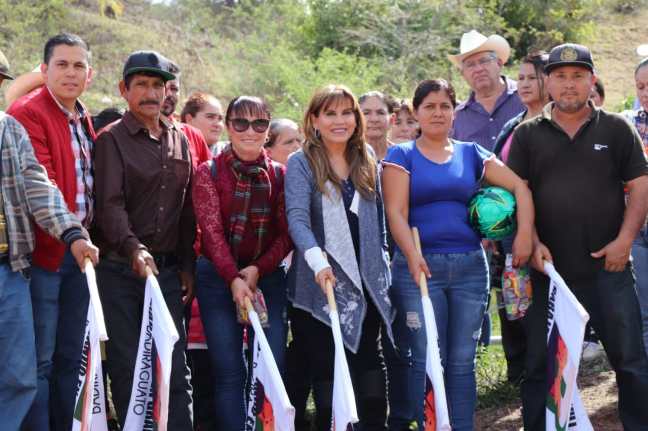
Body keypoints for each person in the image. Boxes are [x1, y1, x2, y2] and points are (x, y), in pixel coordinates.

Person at [507, 43, 648, 430]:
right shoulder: (527, 134)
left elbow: (640, 187)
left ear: (592, 80)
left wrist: (625, 241)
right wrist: (532, 241)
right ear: (548, 82)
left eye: (578, 76)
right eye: (561, 76)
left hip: (610, 268)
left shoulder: (616, 129)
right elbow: (516, 192)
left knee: (631, 362)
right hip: (549, 273)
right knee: (540, 366)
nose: (569, 84)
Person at [382, 79, 534, 430]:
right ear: (416, 112)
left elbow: (520, 187)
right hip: (420, 269)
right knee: (427, 359)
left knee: (463, 362)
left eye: (445, 106)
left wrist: (524, 235)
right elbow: (395, 212)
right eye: (429, 106)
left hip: (470, 268)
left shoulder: (471, 153)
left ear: (454, 112)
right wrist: (412, 255)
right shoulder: (401, 155)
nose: (438, 113)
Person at [94, 50, 194, 430]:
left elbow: (185, 209)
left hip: (166, 274)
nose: (151, 93)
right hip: (120, 272)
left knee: (175, 367)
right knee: (129, 368)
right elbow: (110, 206)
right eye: (141, 85)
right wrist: (134, 248)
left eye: (157, 85)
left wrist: (186, 265)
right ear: (124, 90)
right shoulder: (111, 140)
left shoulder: (179, 139)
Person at [0, 50, 99, 431]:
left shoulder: (8, 130)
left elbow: (38, 186)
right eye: (62, 65)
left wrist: (72, 233)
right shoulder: (28, 115)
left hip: (9, 269)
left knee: (21, 377)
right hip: (36, 267)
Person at [286, 84, 393, 431]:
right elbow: (297, 219)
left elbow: (379, 221)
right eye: (330, 113)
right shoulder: (301, 162)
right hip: (319, 284)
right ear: (314, 120)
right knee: (328, 375)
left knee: (370, 370)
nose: (339, 120)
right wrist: (318, 261)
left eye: (347, 112)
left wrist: (383, 265)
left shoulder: (366, 157)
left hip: (366, 283)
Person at [192, 96, 292, 430]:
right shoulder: (208, 172)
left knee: (271, 367)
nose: (250, 131)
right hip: (216, 279)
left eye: (259, 123)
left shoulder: (280, 175)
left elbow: (287, 234)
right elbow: (211, 233)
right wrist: (233, 277)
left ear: (268, 128)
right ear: (228, 126)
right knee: (229, 371)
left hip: (267, 278)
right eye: (241, 123)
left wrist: (257, 269)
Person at [491, 51, 550, 384]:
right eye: (521, 78)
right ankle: (521, 375)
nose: (524, 84)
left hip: (553, 230)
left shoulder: (559, 123)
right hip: (511, 233)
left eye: (532, 77)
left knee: (548, 308)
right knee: (516, 303)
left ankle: (552, 375)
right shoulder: (512, 126)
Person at [449, 30, 525, 152]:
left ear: (499, 63)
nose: (478, 69)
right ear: (463, 74)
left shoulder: (525, 95)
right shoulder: (458, 117)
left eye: (484, 61)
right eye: (470, 65)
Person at [622, 56, 648, 359]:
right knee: (643, 310)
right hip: (636, 229)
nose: (645, 92)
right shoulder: (626, 123)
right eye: (640, 86)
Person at [359, 90, 393, 160]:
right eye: (366, 113)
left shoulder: (403, 156)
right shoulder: (345, 157)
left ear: (392, 119)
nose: (374, 119)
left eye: (380, 113)